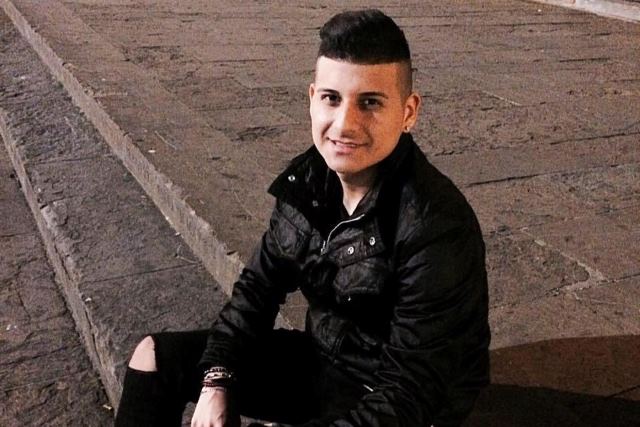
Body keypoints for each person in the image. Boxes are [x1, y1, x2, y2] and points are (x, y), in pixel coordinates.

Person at [115, 9, 490, 427]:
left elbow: (411, 393)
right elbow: (256, 292)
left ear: (408, 112)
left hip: (394, 398)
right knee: (153, 358)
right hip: (321, 364)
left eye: (370, 103)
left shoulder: (435, 226)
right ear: (312, 99)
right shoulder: (310, 181)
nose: (344, 125)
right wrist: (218, 378)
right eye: (332, 98)